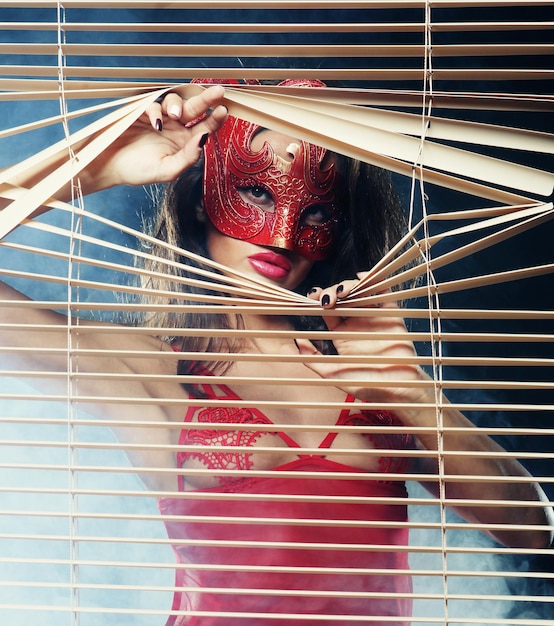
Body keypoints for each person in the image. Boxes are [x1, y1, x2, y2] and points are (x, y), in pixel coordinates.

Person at [1, 81, 552, 626]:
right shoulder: (150, 370)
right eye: (257, 192)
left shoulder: (367, 363)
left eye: (314, 212)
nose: (282, 236)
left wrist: (413, 397)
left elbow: (531, 528)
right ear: (199, 201)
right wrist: (101, 167)